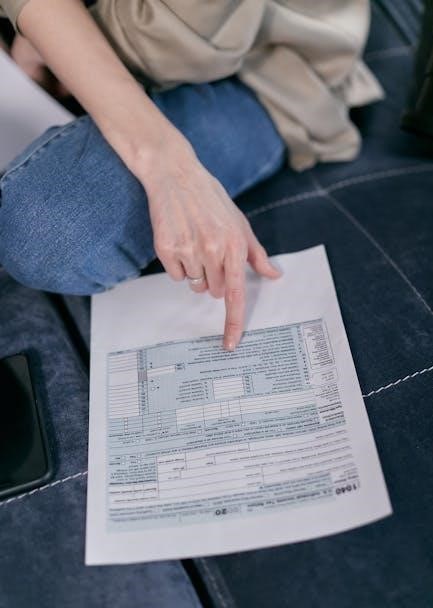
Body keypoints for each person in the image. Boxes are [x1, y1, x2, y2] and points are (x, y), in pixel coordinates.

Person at [0, 0, 382, 350]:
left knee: (48, 233)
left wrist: (47, 31)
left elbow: (180, 36)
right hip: (99, 35)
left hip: (266, 66)